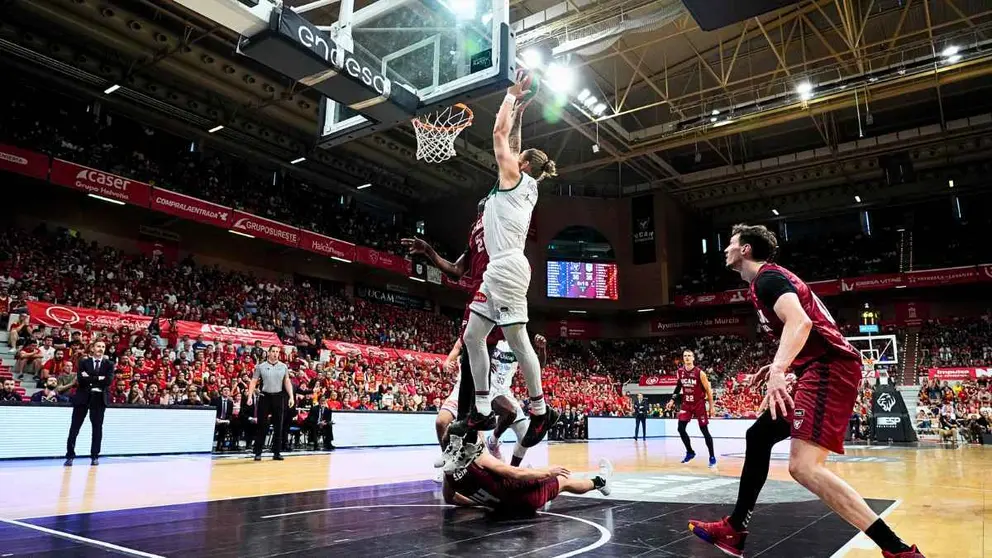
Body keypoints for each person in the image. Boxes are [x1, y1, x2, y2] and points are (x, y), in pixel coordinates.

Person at [688, 224, 923, 558]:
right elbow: (804, 328)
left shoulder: (769, 279)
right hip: (817, 367)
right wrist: (778, 365)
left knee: (804, 467)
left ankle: (899, 551)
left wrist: (781, 369)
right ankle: (735, 529)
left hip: (831, 369)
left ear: (746, 250)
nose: (725, 249)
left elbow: (801, 323)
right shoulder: (766, 282)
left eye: (730, 243)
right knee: (759, 436)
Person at [451, 72, 559, 454]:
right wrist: (523, 113)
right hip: (500, 267)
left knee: (517, 338)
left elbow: (500, 137)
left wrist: (510, 98)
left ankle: (541, 409)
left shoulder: (514, 178)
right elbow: (513, 142)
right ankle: (481, 407)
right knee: (472, 337)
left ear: (523, 165)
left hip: (509, 266)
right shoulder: (522, 184)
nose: (513, 156)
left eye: (519, 156)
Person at [442, 434, 614, 514]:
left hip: (503, 508)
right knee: (563, 480)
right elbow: (516, 473)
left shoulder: (448, 473)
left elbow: (450, 498)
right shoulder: (478, 460)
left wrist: (478, 501)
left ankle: (545, 491)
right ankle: (601, 482)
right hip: (525, 498)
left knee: (529, 471)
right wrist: (547, 471)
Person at [64, 341, 115, 466]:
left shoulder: (109, 364)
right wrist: (99, 378)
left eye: (103, 347)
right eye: (98, 346)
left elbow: (108, 381)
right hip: (83, 398)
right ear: (92, 348)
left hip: (99, 399)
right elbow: (81, 380)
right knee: (75, 428)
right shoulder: (84, 362)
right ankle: (70, 455)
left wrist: (91, 378)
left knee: (97, 429)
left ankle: (94, 456)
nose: (101, 349)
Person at [246, 345, 295, 461]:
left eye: (277, 351)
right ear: (268, 352)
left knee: (279, 426)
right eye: (273, 351)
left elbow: (287, 381)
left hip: (278, 397)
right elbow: (253, 382)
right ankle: (258, 452)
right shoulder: (260, 366)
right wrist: (250, 396)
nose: (275, 353)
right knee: (262, 425)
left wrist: (291, 397)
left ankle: (277, 453)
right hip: (265, 397)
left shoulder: (283, 366)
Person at [672, 349, 716, 467]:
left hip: (699, 404)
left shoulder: (700, 373)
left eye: (689, 356)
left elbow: (708, 390)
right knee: (680, 429)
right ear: (683, 358)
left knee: (704, 431)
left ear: (693, 358)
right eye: (685, 356)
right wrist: (672, 400)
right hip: (686, 404)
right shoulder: (680, 372)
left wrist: (711, 407)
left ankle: (712, 457)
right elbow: (678, 386)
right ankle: (690, 452)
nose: (687, 358)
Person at [212, 386, 235, 452]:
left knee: (228, 426)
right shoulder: (215, 400)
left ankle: (221, 445)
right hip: (215, 420)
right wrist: (216, 418)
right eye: (225, 390)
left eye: (228, 390)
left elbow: (230, 414)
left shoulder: (230, 402)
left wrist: (228, 420)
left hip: (224, 421)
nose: (226, 391)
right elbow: (212, 411)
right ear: (221, 392)